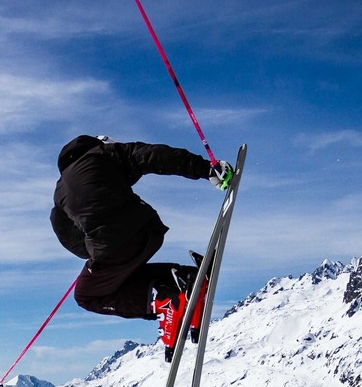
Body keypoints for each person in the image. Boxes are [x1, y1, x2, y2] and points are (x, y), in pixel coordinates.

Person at [51, 135, 233, 361]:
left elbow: (68, 236)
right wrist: (205, 168)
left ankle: (164, 299)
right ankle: (185, 278)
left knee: (86, 296)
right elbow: (154, 156)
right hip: (150, 230)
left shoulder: (60, 194)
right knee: (119, 272)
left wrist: (94, 253)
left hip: (112, 247)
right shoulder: (105, 154)